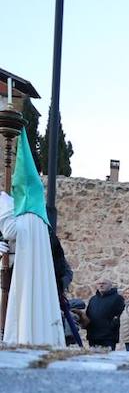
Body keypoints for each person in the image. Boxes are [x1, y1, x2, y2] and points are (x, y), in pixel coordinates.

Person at [0, 134, 63, 347]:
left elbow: (9, 230)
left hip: (18, 269)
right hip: (16, 267)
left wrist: (4, 204)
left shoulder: (24, 214)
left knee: (22, 307)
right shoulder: (39, 218)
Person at [83, 278, 124, 350]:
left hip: (108, 337)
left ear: (110, 286)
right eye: (99, 283)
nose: (101, 285)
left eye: (104, 283)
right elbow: (88, 315)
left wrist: (111, 326)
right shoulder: (93, 299)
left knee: (107, 359)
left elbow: (120, 315)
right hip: (93, 336)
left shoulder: (118, 298)